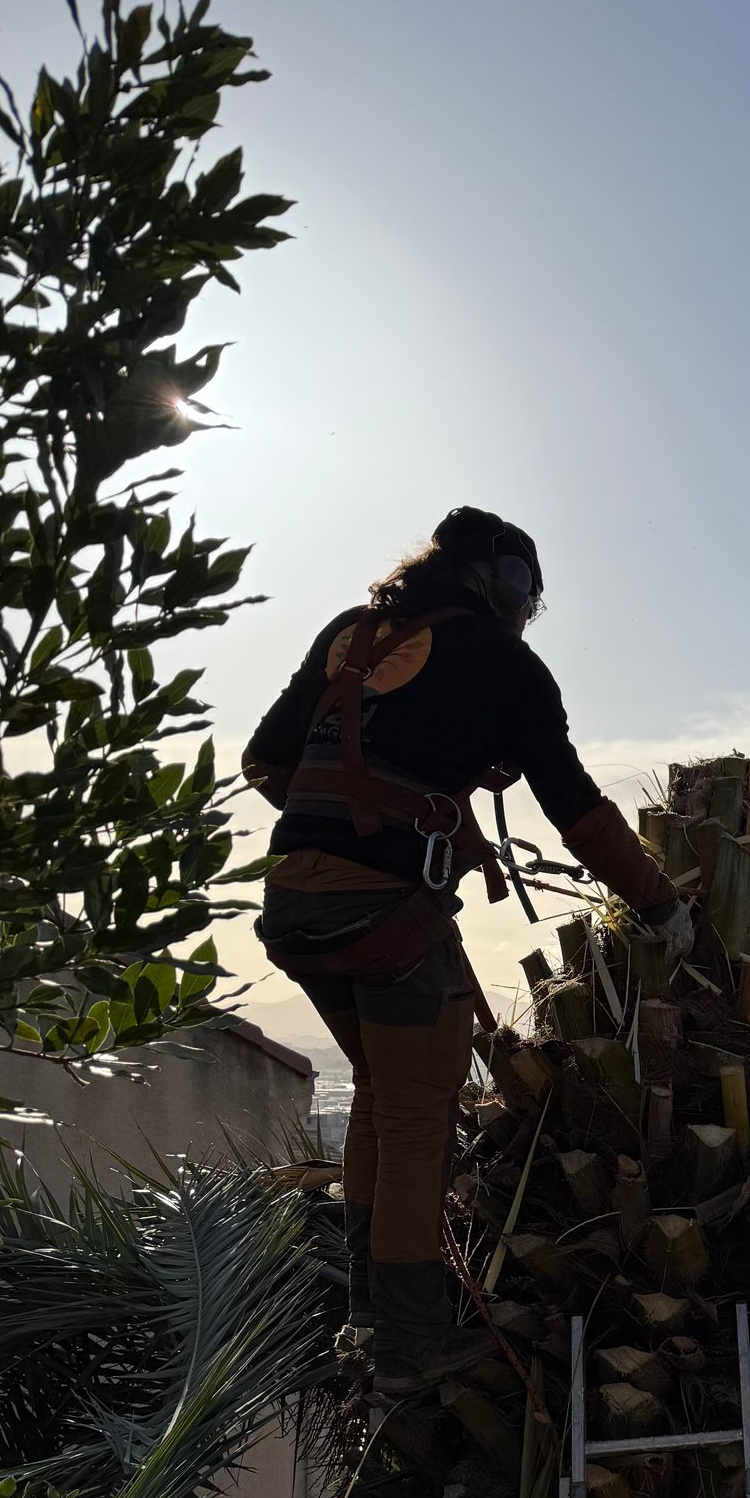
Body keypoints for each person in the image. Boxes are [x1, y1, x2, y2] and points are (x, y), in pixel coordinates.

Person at [243, 507, 693, 1396]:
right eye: (526, 587)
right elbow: (577, 807)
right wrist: (659, 905)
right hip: (383, 917)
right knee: (418, 1110)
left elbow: (268, 763)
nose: (528, 608)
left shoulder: (353, 636)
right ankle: (410, 1338)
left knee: (381, 1090)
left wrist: (407, 822)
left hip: (294, 902)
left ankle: (372, 1304)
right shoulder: (505, 665)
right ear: (495, 581)